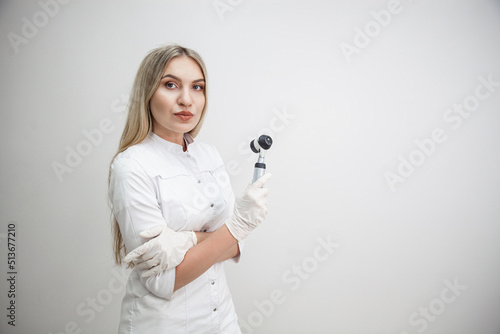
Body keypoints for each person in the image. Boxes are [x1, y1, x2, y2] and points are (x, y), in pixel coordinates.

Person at [108, 44, 272, 333]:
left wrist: (182, 241)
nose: (187, 99)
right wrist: (234, 228)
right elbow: (163, 280)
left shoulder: (209, 155)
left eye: (197, 87)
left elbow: (234, 247)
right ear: (147, 93)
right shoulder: (131, 165)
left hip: (222, 319)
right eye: (171, 85)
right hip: (162, 324)